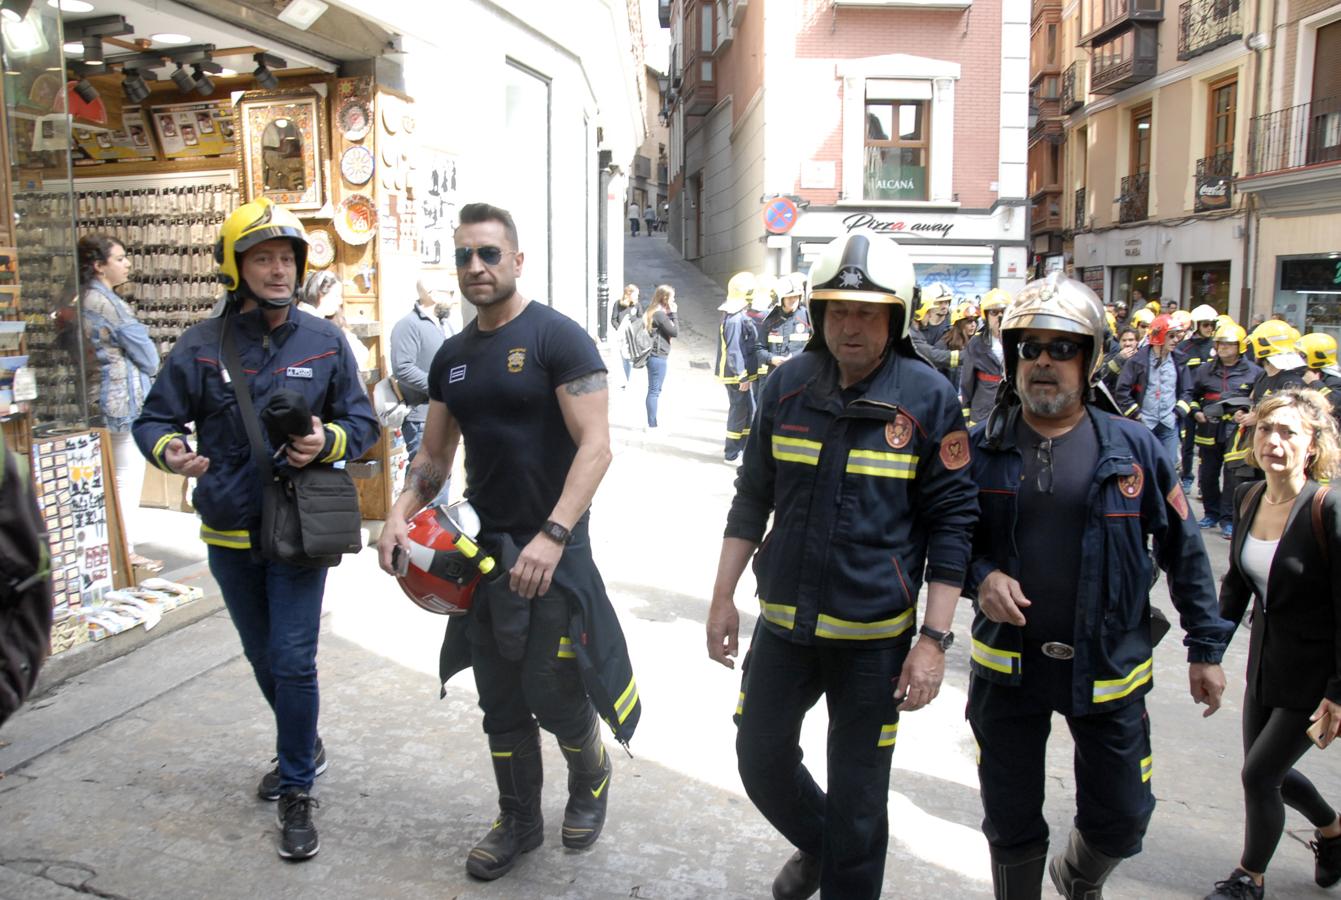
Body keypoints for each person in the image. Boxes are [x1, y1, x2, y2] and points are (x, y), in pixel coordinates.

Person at [706, 231, 978, 900]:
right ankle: (822, 846)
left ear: (896, 316)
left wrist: (933, 642)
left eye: (866, 312)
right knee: (760, 757)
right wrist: (721, 598)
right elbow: (752, 498)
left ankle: (839, 860)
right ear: (817, 314)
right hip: (783, 629)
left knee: (860, 801)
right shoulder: (786, 387)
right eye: (836, 310)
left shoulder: (928, 398)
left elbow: (952, 523)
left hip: (873, 646)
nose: (849, 326)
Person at [375, 202, 640, 882]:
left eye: (489, 253)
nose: (475, 267)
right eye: (465, 255)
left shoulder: (559, 340)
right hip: (485, 555)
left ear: (517, 261)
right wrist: (401, 510)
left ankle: (591, 771)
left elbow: (597, 447)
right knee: (498, 696)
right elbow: (433, 456)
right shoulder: (453, 358)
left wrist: (554, 534)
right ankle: (518, 820)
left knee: (553, 692)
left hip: (554, 550)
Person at [964, 272, 1231, 900]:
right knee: (1009, 819)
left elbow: (1185, 551)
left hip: (1110, 669)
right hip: (1008, 671)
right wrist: (984, 577)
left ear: (1090, 358)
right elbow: (949, 544)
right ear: (1013, 359)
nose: (1045, 362)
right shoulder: (978, 450)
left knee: (1123, 817)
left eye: (1063, 348)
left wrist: (1206, 648)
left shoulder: (1137, 449)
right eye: (1030, 348)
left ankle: (1078, 878)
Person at [132, 198, 379, 861]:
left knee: (295, 661)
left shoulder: (324, 341)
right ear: (235, 268)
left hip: (299, 533)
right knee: (263, 656)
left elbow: (363, 426)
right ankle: (305, 743)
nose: (277, 270)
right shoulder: (198, 346)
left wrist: (324, 440)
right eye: (263, 258)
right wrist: (172, 455)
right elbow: (152, 421)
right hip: (230, 534)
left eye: (286, 258)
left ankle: (297, 784)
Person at [1206, 389, 1341, 900]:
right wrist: (1209, 654)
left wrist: (1339, 690)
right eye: (1266, 429)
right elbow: (1237, 588)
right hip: (1265, 663)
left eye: (1289, 432)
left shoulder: (1328, 506)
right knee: (1267, 774)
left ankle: (1248, 878)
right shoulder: (1248, 496)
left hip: (1317, 674)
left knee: (1260, 776)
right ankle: (1332, 832)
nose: (1274, 442)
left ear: (1311, 445)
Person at [77, 233, 162, 572]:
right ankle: (123, 548)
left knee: (110, 475)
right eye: (120, 258)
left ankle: (114, 546)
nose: (127, 264)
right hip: (120, 398)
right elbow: (145, 352)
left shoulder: (82, 298)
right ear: (99, 266)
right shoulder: (108, 303)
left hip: (98, 393)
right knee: (125, 475)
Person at [1223, 320, 1309, 537]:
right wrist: (1244, 413)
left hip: (1280, 451)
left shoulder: (1291, 381)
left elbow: (1292, 416)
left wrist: (1259, 418)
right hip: (1258, 448)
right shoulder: (1263, 375)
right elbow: (1254, 401)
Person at [1184, 322, 1260, 534]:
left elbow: (1259, 400)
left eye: (1228, 344)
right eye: (1220, 344)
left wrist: (1247, 413)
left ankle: (1228, 519)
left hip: (1237, 432)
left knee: (1232, 477)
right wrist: (1196, 411)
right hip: (1209, 429)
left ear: (1240, 346)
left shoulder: (1254, 372)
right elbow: (1190, 394)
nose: (1223, 348)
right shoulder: (1205, 370)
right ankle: (1211, 513)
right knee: (1207, 474)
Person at [391, 275, 454, 464]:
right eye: (450, 293)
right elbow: (402, 368)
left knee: (443, 477)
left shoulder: (445, 325)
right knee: (425, 480)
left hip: (446, 413)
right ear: (433, 295)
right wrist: (438, 387)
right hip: (421, 418)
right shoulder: (408, 325)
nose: (453, 299)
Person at [1116, 313, 1192, 470]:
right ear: (1159, 336)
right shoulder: (1137, 361)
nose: (1176, 340)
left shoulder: (1180, 361)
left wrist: (1177, 413)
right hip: (1144, 424)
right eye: (1171, 336)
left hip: (1169, 424)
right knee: (1142, 468)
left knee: (1169, 469)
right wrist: (1136, 414)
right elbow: (1122, 391)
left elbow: (1187, 391)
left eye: (1177, 336)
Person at [715, 271, 757, 464]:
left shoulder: (737, 316)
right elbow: (734, 350)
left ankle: (741, 448)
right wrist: (742, 376)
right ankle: (731, 452)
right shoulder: (734, 319)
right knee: (739, 412)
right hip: (735, 375)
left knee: (747, 411)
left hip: (739, 373)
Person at [296, 271, 369, 371]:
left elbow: (361, 353)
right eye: (336, 296)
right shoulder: (303, 322)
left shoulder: (329, 319)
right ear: (320, 294)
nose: (340, 301)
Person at [961, 289, 1010, 426]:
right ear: (986, 316)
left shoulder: (1017, 341)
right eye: (994, 312)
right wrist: (966, 416)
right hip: (982, 411)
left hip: (1010, 409)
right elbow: (967, 382)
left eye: (1003, 311)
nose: (999, 316)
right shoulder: (977, 344)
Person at [757, 272, 812, 372]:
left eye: (796, 297)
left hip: (800, 372)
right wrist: (772, 359)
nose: (793, 300)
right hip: (775, 373)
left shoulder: (807, 317)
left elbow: (815, 346)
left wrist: (795, 356)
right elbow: (759, 348)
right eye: (789, 297)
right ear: (781, 299)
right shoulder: (770, 320)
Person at [643, 284, 678, 429]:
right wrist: (674, 313)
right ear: (665, 299)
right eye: (672, 297)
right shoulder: (659, 314)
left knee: (654, 389)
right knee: (654, 390)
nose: (674, 300)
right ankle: (652, 425)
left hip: (654, 356)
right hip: (657, 356)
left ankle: (652, 423)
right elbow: (675, 332)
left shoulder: (653, 311)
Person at [1296, 332, 1341, 423]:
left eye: (1302, 355)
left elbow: (1333, 404)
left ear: (1316, 357)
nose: (1299, 358)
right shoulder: (1303, 372)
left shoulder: (1334, 378)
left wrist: (1314, 382)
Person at [938, 301, 978, 391]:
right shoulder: (944, 345)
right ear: (959, 323)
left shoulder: (976, 344)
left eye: (975, 321)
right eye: (969, 322)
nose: (973, 325)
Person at [610, 283, 641, 388]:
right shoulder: (618, 304)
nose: (637, 296)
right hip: (621, 337)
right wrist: (620, 328)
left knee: (629, 359)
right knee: (623, 359)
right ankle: (624, 380)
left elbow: (640, 319)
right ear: (629, 294)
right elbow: (613, 320)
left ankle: (626, 381)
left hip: (632, 336)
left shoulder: (637, 305)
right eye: (636, 294)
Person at [1099, 326, 1140, 395]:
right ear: (1119, 342)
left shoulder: (1143, 358)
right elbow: (1101, 380)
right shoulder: (1112, 357)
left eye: (1131, 340)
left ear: (1137, 342)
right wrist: (1118, 360)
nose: (1127, 344)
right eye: (1124, 340)